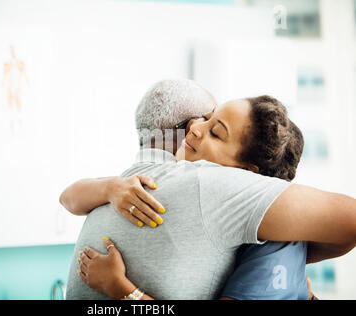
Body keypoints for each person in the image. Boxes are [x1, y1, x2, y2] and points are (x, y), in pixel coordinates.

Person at [61, 81, 356, 300]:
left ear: (248, 175)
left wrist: (125, 291)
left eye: (216, 131)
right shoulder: (178, 187)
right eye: (206, 119)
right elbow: (69, 197)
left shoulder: (221, 189)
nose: (195, 127)